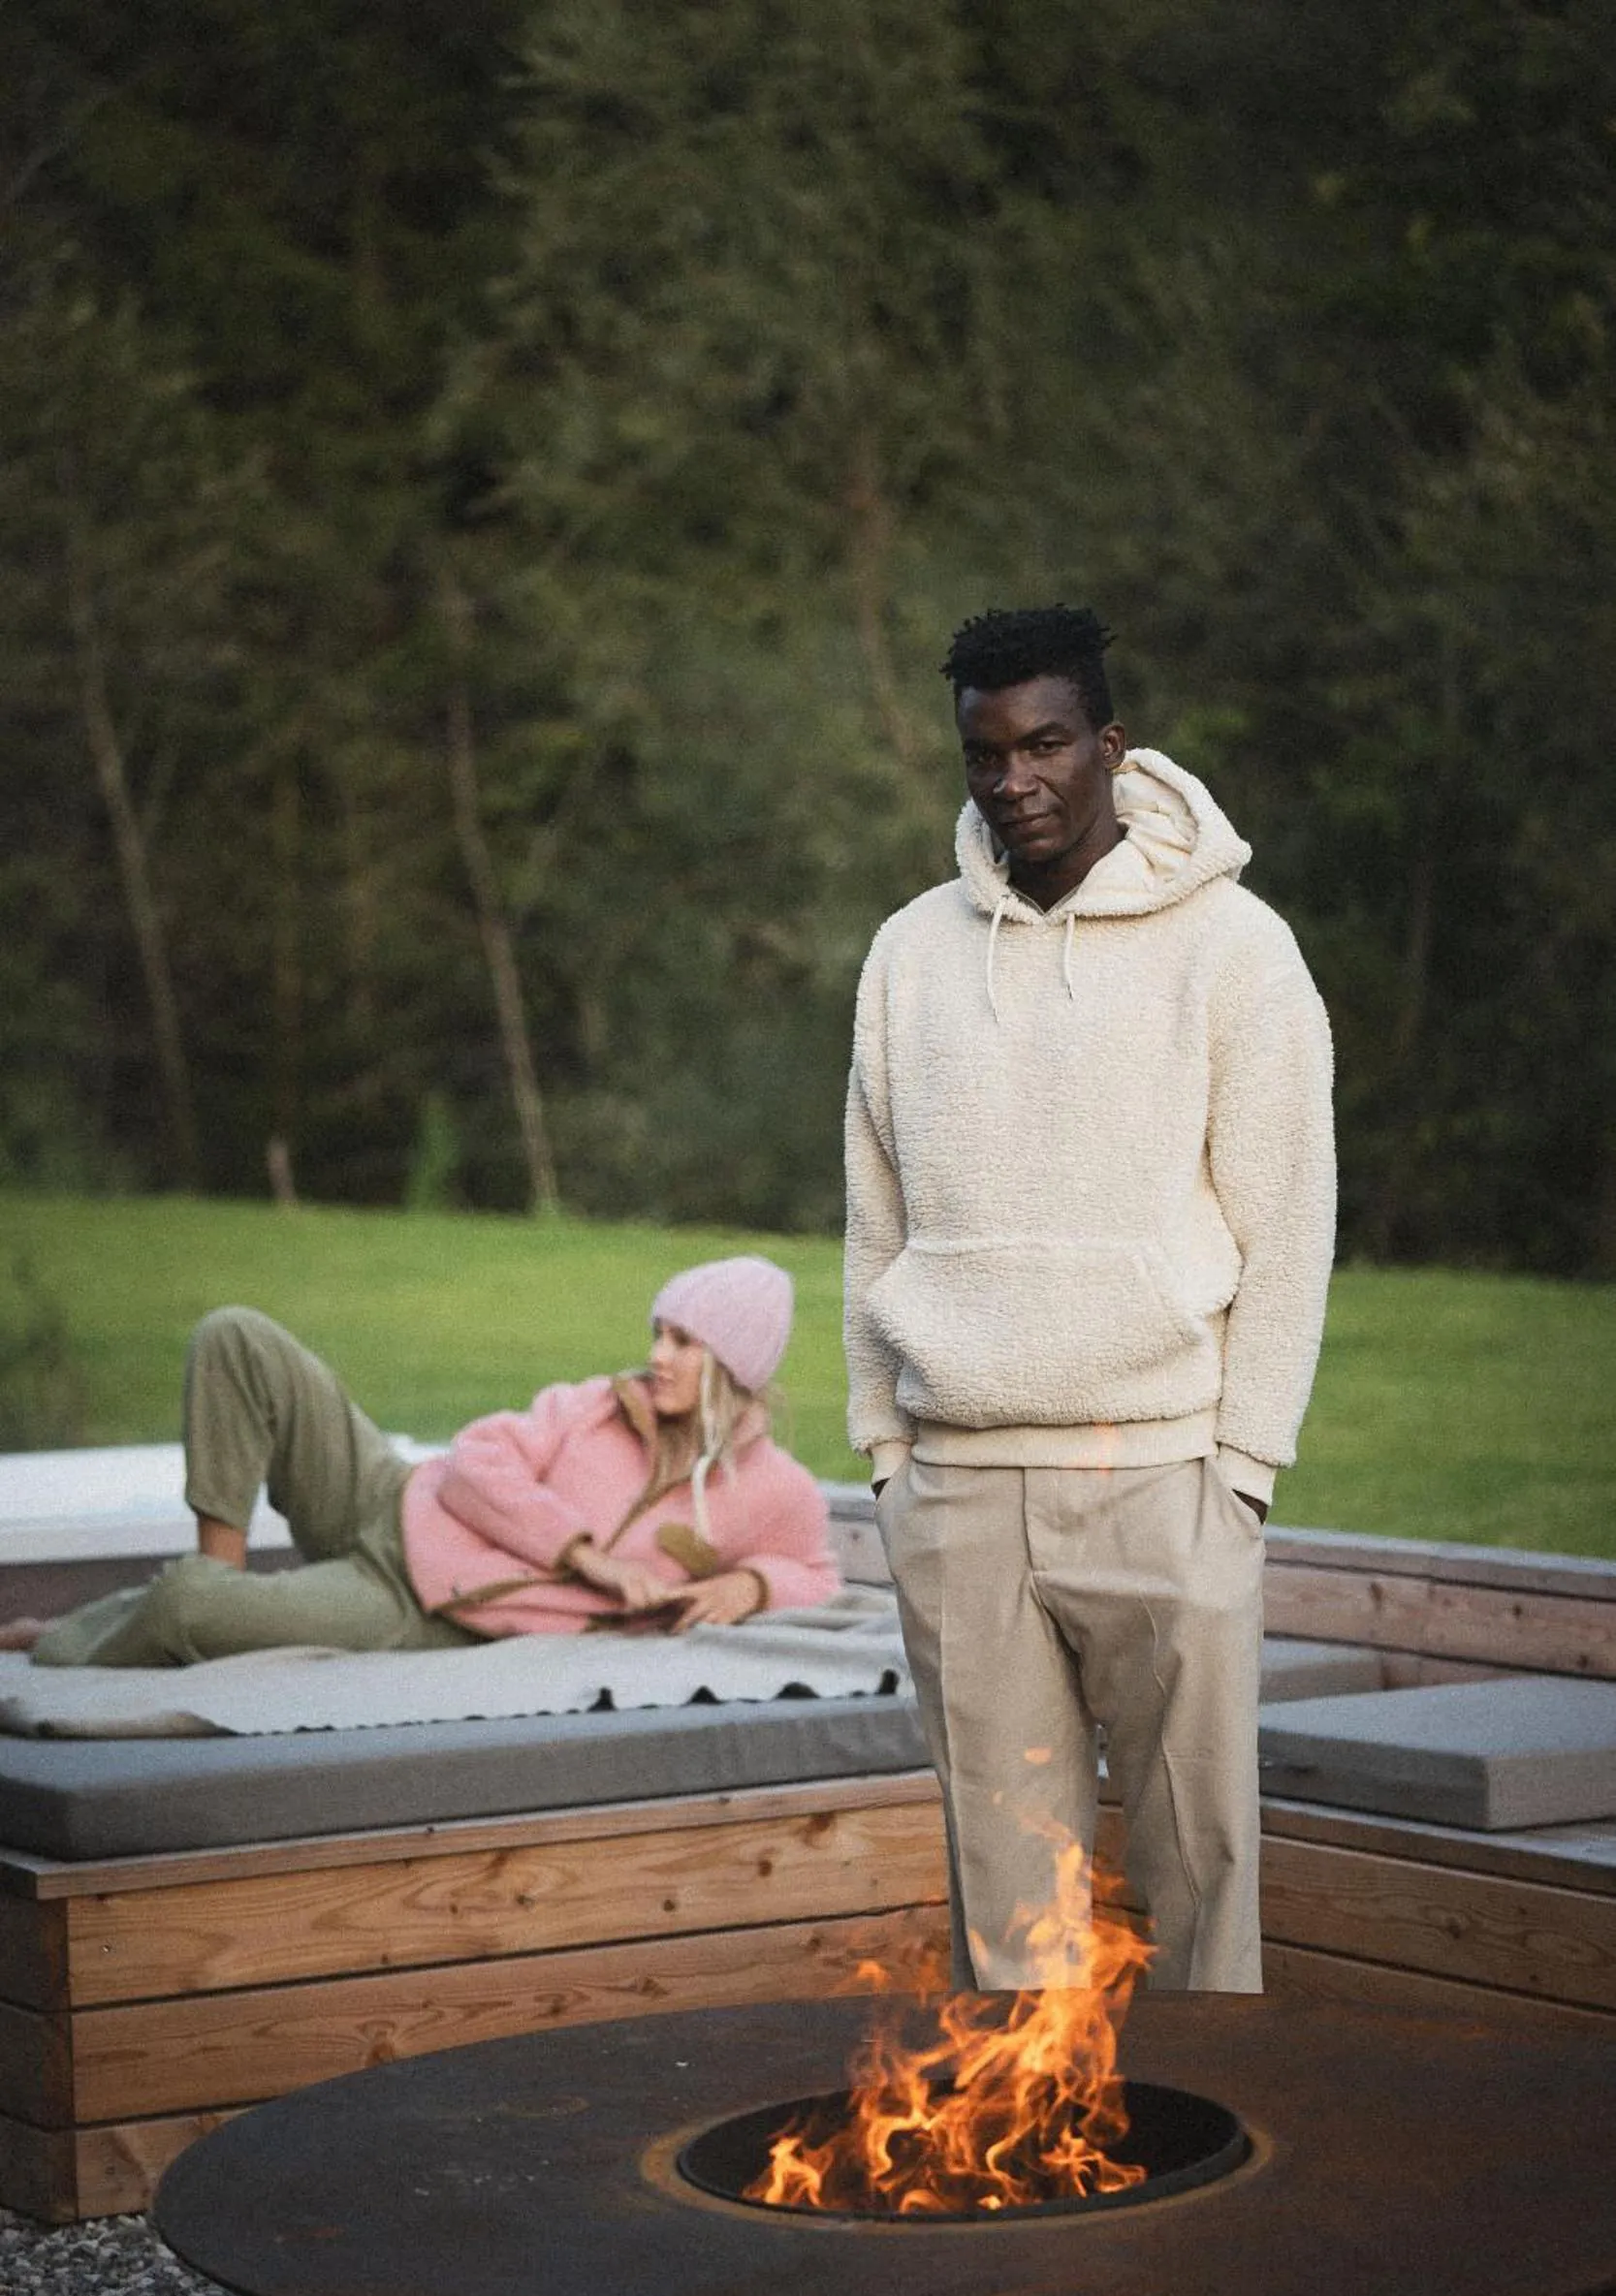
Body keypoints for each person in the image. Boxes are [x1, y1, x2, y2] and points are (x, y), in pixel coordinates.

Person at [844, 605, 1335, 1994]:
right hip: (958, 1493)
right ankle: (1032, 2197)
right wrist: (886, 1452)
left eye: (1045, 743)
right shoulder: (907, 957)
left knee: (1198, 1885)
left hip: (1160, 1480)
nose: (1015, 781)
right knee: (1010, 1923)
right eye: (984, 753)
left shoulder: (1234, 951)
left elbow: (1287, 1225)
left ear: (1107, 747)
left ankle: (1215, 2194)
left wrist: (1238, 1471)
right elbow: (870, 1220)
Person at [4, 1255, 839, 1667]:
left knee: (187, 1606)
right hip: (389, 1492)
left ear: (730, 1364)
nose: (656, 1354)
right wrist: (586, 1557)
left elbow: (816, 1569)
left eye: (683, 1342)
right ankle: (216, 1595)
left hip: (419, 1605)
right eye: (659, 1331)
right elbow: (476, 1459)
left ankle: (120, 1627)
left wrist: (752, 1584)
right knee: (236, 1337)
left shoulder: (769, 1489)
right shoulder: (598, 1402)